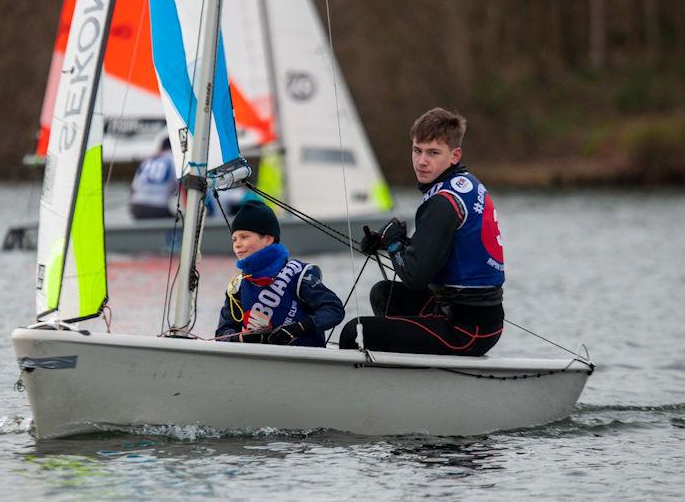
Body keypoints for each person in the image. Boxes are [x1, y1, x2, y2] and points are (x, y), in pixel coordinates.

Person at [339, 107, 505, 356]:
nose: (422, 161)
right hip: (478, 318)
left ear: (454, 155)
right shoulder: (465, 184)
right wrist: (386, 242)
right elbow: (443, 250)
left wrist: (395, 244)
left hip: (467, 329)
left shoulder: (443, 202)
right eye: (417, 150)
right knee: (384, 294)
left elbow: (415, 277)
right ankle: (411, 360)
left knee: (355, 332)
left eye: (433, 153)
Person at [216, 200, 344, 347]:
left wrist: (299, 328)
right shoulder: (237, 286)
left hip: (305, 360)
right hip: (258, 363)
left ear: (268, 239)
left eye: (244, 237)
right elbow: (222, 333)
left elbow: (334, 310)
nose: (237, 244)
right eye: (234, 239)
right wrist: (241, 339)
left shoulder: (298, 274)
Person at [129, 138, 178, 219]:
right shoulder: (173, 158)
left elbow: (133, 188)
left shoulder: (148, 160)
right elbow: (182, 184)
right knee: (179, 224)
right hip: (158, 207)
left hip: (136, 206)